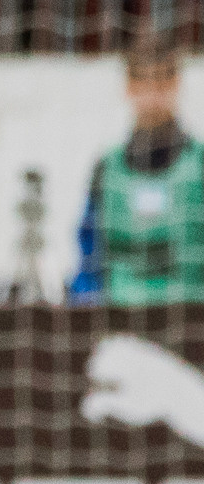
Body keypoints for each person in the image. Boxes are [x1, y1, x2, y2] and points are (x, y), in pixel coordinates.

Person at [70, 37, 204, 305]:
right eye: (144, 81)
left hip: (191, 323)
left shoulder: (198, 166)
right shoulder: (107, 169)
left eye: (161, 80)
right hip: (119, 322)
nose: (152, 94)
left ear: (176, 84)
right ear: (129, 87)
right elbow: (89, 261)